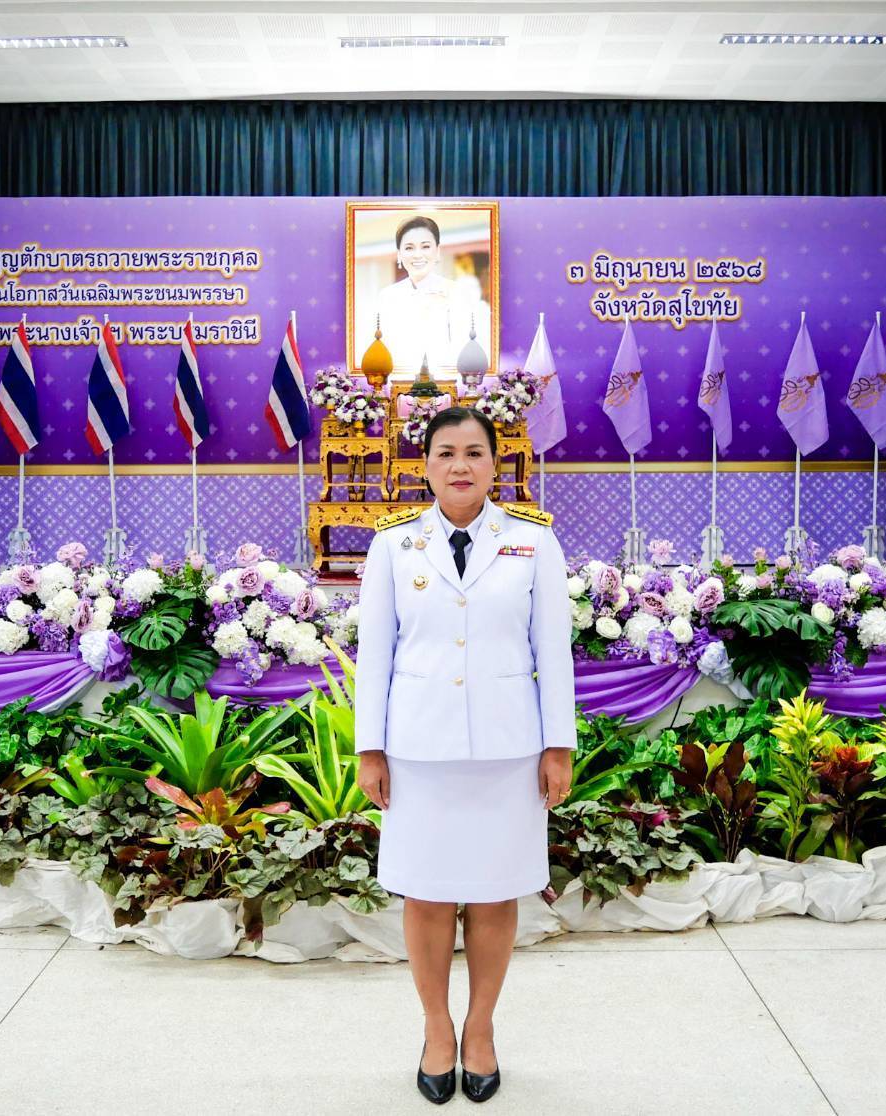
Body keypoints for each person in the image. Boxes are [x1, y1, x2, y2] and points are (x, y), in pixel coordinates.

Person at [354, 405, 575, 1104]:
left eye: (474, 452)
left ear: (494, 464)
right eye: (446, 452)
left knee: (494, 892)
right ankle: (436, 1028)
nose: (460, 465)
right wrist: (370, 749)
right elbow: (375, 656)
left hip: (508, 751)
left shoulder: (533, 542)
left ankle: (480, 1028)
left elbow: (553, 653)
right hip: (419, 751)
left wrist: (559, 746)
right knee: (426, 893)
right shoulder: (393, 545)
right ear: (424, 465)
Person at [374, 215, 492, 375]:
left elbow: (465, 350)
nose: (417, 255)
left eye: (425, 246)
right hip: (397, 381)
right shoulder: (387, 296)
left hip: (447, 382)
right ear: (399, 254)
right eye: (409, 248)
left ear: (437, 251)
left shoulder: (457, 292)